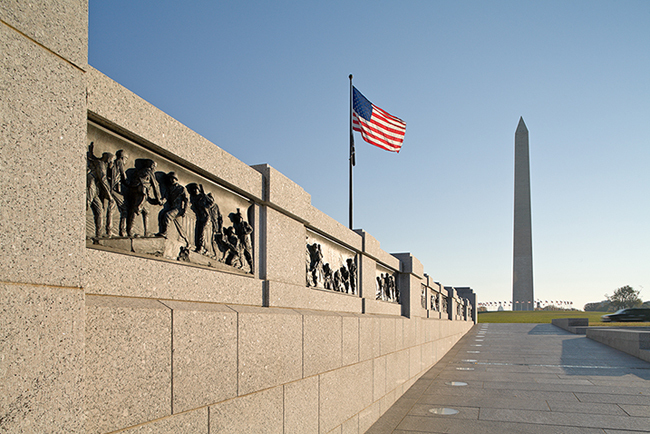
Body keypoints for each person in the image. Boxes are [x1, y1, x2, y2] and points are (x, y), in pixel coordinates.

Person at [126, 159, 161, 237]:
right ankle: (130, 231)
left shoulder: (139, 171)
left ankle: (146, 232)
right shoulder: (149, 172)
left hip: (137, 193)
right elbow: (155, 186)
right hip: (142, 193)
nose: (155, 168)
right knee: (136, 210)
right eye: (154, 166)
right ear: (152, 166)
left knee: (146, 212)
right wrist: (159, 199)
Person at [87, 142, 115, 238]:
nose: (112, 163)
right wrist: (110, 196)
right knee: (86, 205)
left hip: (94, 189)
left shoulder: (99, 162)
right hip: (90, 186)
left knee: (99, 210)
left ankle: (98, 235)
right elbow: (103, 180)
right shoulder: (101, 164)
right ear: (108, 159)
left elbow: (92, 157)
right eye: (112, 161)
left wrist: (91, 150)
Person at [156, 172, 188, 239]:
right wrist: (161, 201)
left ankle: (165, 233)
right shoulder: (169, 188)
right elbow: (165, 198)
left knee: (167, 215)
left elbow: (186, 200)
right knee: (161, 214)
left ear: (176, 179)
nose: (172, 180)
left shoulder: (181, 188)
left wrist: (185, 210)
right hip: (171, 207)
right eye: (170, 178)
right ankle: (161, 231)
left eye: (173, 178)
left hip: (178, 209)